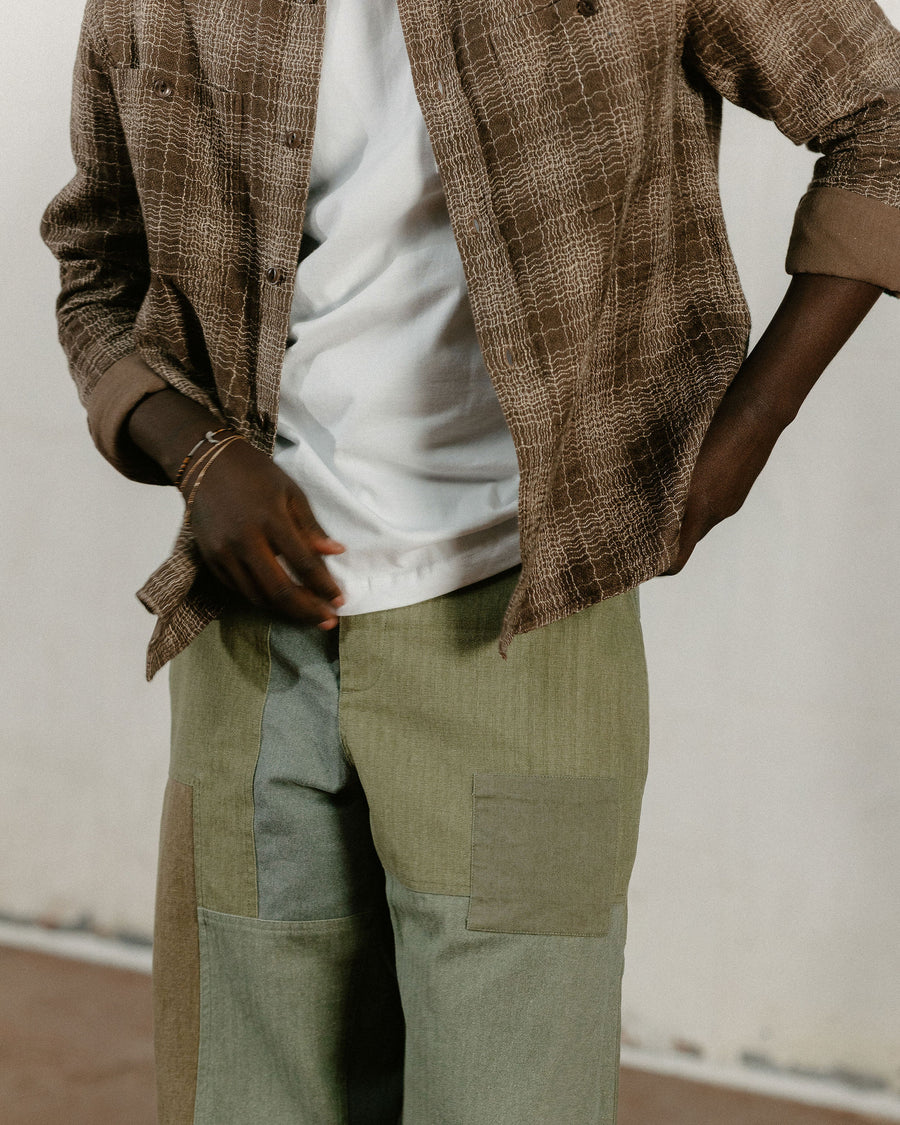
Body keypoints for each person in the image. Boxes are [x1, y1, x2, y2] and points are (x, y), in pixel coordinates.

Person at [42, 0, 900, 1121]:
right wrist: (199, 454)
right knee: (239, 1098)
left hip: (522, 634)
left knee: (513, 1099)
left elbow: (881, 116)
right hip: (249, 649)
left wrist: (741, 441)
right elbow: (97, 270)